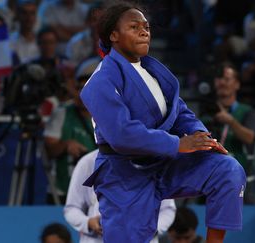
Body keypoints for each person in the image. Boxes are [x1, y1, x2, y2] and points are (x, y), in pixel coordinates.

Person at [79, 2, 246, 243]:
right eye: (134, 27)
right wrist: (178, 144)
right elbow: (122, 134)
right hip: (124, 172)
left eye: (146, 27)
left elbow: (180, 112)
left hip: (164, 163)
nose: (144, 31)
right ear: (113, 35)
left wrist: (202, 138)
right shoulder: (100, 80)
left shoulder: (151, 72)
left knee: (227, 169)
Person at [64, 149, 177, 243]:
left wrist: (150, 228)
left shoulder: (155, 162)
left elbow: (167, 209)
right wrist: (88, 222)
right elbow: (72, 208)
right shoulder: (88, 162)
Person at [44, 57, 98, 204]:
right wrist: (66, 145)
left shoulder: (110, 116)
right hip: (63, 191)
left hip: (97, 193)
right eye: (79, 88)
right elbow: (48, 149)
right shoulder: (62, 113)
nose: (82, 93)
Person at [203, 62, 255, 171]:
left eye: (227, 79)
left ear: (237, 84)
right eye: (219, 79)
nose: (222, 82)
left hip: (239, 171)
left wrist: (231, 122)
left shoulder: (247, 111)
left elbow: (250, 138)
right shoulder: (207, 113)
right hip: (212, 170)